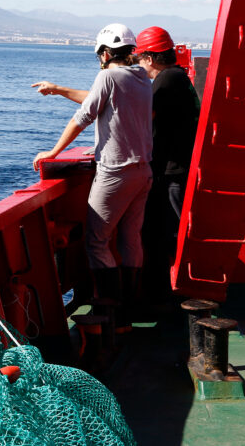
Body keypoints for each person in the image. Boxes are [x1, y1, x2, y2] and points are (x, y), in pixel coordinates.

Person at [32, 23, 153, 306]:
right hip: (143, 171)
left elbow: (83, 117)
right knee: (130, 240)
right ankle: (127, 311)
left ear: (107, 52)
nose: (100, 59)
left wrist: (53, 151)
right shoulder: (141, 77)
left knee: (97, 242)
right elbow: (99, 99)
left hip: (115, 172)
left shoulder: (109, 77)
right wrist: (59, 89)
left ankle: (110, 312)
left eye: (100, 54)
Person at [134, 27, 200, 296]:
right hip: (178, 167)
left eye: (139, 58)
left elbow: (138, 113)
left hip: (173, 171)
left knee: (170, 232)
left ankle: (175, 292)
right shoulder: (178, 77)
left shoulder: (166, 79)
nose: (139, 64)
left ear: (150, 58)